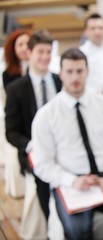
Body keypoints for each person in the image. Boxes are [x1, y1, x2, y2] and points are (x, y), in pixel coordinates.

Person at [32, 48, 103, 240]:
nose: (75, 77)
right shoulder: (46, 116)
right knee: (79, 232)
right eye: (69, 72)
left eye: (79, 71)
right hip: (72, 183)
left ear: (87, 71)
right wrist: (73, 181)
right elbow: (43, 164)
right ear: (60, 74)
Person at [5, 30, 62, 222]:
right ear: (29, 53)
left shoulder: (61, 81)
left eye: (48, 52)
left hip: (64, 146)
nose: (45, 57)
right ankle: (50, 225)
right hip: (34, 150)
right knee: (44, 178)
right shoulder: (16, 89)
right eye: (40, 52)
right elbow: (11, 132)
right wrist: (32, 145)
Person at [80, 13, 103, 94]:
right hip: (90, 99)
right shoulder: (81, 54)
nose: (97, 32)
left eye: (100, 28)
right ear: (86, 31)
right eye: (93, 28)